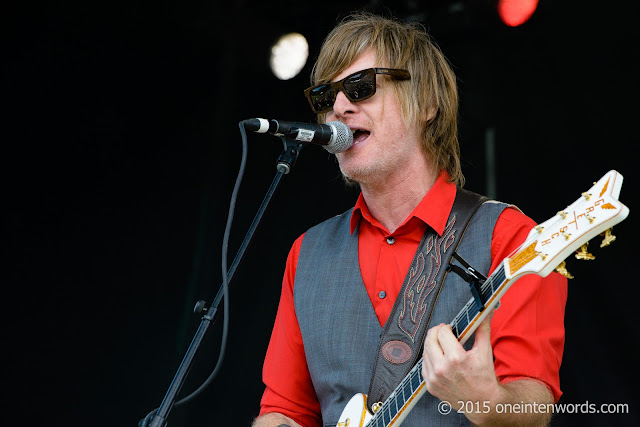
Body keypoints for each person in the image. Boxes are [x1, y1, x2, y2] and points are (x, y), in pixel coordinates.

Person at [252, 13, 567, 427]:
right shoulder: (306, 254)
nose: (340, 107)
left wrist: (484, 401)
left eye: (360, 87)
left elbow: (533, 408)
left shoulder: (511, 237)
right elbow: (285, 411)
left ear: (427, 104)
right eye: (326, 97)